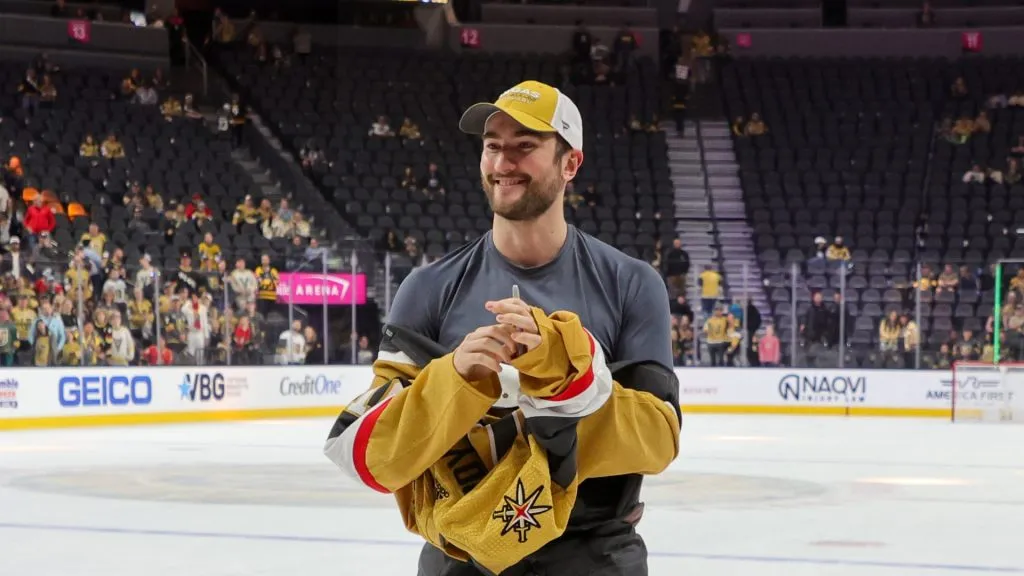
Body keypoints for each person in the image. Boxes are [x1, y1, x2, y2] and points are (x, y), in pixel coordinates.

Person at [324, 81, 680, 576]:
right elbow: (378, 457)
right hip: (461, 558)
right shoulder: (427, 288)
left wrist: (563, 372)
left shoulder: (631, 283)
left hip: (594, 554)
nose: (502, 162)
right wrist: (454, 379)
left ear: (570, 164)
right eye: (493, 146)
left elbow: (659, 441)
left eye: (525, 146)